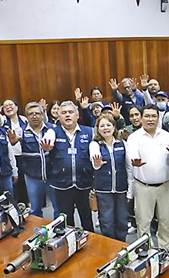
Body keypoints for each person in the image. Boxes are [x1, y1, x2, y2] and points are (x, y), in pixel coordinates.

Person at [127, 105, 169, 251]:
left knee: (166, 221)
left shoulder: (167, 137)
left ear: (158, 118)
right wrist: (135, 161)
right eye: (147, 116)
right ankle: (146, 252)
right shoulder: (134, 138)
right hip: (143, 187)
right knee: (143, 222)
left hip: (165, 186)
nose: (150, 119)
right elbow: (131, 158)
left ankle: (166, 251)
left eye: (153, 116)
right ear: (141, 118)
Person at [40, 101, 94, 231]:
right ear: (59, 117)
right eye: (64, 113)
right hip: (62, 185)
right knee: (66, 221)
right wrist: (46, 147)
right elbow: (46, 141)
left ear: (77, 115)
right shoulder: (53, 132)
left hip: (84, 184)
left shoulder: (89, 132)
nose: (67, 115)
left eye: (70, 112)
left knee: (87, 219)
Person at [90, 115, 132, 242]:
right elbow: (95, 163)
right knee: (106, 220)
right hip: (103, 189)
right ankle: (109, 245)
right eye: (102, 126)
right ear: (98, 129)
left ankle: (121, 244)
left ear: (114, 127)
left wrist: (130, 190)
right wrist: (97, 163)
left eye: (108, 125)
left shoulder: (122, 144)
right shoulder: (94, 144)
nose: (105, 128)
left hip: (121, 188)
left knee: (122, 219)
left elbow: (129, 167)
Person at [17, 102, 58, 218]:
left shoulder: (53, 129)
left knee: (58, 207)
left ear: (42, 115)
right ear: (26, 116)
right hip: (32, 177)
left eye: (37, 113)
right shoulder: (21, 131)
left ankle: (58, 228)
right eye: (31, 114)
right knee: (35, 209)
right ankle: (37, 229)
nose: (34, 116)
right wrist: (14, 141)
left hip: (52, 176)